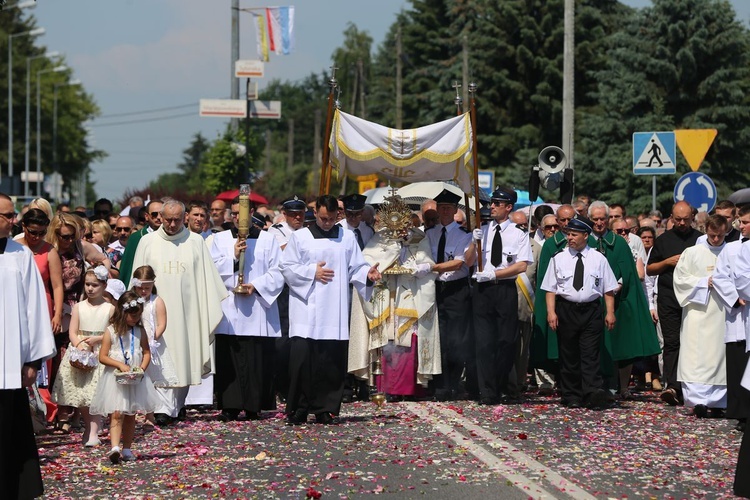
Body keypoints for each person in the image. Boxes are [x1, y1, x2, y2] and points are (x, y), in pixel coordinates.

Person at [280, 195, 381, 425]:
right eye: (323, 218)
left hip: (333, 309)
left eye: (331, 219)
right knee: (302, 361)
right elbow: (286, 267)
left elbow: (356, 267)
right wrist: (310, 272)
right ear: (315, 213)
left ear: (338, 215)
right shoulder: (301, 237)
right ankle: (299, 408)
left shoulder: (346, 237)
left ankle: (326, 408)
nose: (326, 223)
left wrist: (368, 275)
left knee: (330, 361)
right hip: (306, 308)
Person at [131, 199, 226, 425]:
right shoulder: (147, 241)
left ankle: (176, 405)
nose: (172, 224)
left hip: (188, 313)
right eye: (168, 219)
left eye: (176, 219)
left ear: (184, 218)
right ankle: (163, 407)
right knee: (158, 356)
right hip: (153, 310)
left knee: (185, 355)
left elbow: (207, 281)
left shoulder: (195, 242)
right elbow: (137, 278)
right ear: (160, 218)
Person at [348, 193, 441, 399]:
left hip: (412, 295)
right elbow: (368, 263)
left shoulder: (419, 236)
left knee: (409, 341)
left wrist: (421, 266)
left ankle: (410, 388)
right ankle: (387, 388)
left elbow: (428, 262)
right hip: (386, 297)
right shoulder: (379, 238)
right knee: (388, 342)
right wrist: (386, 262)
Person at [0, 193, 56, 500]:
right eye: (7, 216)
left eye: (12, 216)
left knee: (9, 432)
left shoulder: (19, 255)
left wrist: (33, 361)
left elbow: (35, 307)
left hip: (10, 364)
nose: (14, 221)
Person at [210, 198, 284, 420]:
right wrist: (232, 256)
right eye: (232, 214)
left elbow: (279, 271)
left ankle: (254, 405)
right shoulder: (219, 239)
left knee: (256, 357)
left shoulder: (268, 240)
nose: (235, 218)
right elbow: (211, 269)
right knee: (228, 358)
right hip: (230, 309)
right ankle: (230, 406)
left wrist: (257, 285)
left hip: (257, 307)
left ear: (251, 213)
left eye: (239, 214)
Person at [540, 216, 617, 410]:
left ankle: (591, 392)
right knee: (569, 354)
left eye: (574, 234)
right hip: (567, 309)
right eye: (568, 234)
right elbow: (550, 288)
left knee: (590, 354)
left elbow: (608, 288)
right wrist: (551, 312)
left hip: (591, 310)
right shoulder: (559, 258)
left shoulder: (599, 258)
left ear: (585, 235)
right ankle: (571, 394)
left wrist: (610, 312)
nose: (570, 238)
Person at [471, 187, 533, 405]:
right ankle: (486, 390)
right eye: (492, 203)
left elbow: (521, 266)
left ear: (508, 207)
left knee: (506, 340)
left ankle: (500, 385)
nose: (492, 206)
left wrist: (494, 273)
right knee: (484, 342)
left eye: (498, 203)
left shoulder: (518, 234)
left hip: (504, 289)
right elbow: (468, 260)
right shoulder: (482, 230)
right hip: (483, 291)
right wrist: (472, 241)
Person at [90, 291, 158, 464]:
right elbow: (103, 356)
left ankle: (127, 447)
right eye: (132, 316)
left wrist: (141, 368)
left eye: (138, 316)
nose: (135, 319)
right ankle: (114, 447)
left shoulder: (140, 332)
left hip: (134, 379)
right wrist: (119, 364)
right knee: (117, 412)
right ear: (123, 312)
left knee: (131, 413)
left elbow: (147, 353)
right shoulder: (111, 332)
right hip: (115, 379)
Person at [51, 266, 114, 445]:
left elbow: (114, 331)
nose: (90, 289)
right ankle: (89, 427)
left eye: (95, 285)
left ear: (104, 285)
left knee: (95, 394)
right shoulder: (78, 307)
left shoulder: (109, 308)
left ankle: (94, 431)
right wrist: (80, 345)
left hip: (100, 351)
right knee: (82, 396)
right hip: (80, 353)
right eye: (87, 284)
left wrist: (98, 339)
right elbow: (72, 331)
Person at [672, 214, 729, 417]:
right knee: (696, 356)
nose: (715, 240)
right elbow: (680, 279)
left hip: (722, 313)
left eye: (720, 236)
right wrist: (705, 282)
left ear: (726, 232)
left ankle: (719, 400)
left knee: (719, 356)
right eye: (712, 235)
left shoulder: (730, 252)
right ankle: (697, 401)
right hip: (698, 311)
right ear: (706, 231)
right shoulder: (692, 252)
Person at [647, 201, 702, 405]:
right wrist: (667, 263)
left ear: (692, 218)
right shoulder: (663, 240)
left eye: (686, 219)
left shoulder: (700, 240)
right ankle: (672, 385)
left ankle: (692, 385)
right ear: (671, 217)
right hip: (669, 297)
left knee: (693, 343)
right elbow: (650, 269)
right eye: (677, 219)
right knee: (671, 342)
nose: (681, 223)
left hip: (693, 298)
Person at [425, 189, 474, 400]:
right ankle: (439, 384)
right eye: (441, 207)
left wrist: (431, 267)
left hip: (456, 290)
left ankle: (453, 383)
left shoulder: (465, 235)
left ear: (455, 210)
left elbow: (460, 262)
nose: (444, 211)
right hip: (434, 289)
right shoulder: (429, 233)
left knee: (456, 339)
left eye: (448, 208)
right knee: (438, 337)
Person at [18, 209, 64, 424]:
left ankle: (42, 407)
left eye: (42, 233)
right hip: (17, 305)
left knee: (41, 361)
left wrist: (56, 314)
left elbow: (56, 285)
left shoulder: (49, 251)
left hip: (43, 305)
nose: (36, 237)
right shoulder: (16, 247)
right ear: (24, 227)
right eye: (33, 232)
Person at [530, 204, 577, 391]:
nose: (566, 224)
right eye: (562, 220)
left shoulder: (586, 241)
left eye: (570, 219)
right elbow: (545, 280)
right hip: (557, 301)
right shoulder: (551, 244)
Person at [713, 206, 750, 431]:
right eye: (741, 222)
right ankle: (741, 412)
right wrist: (736, 298)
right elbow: (721, 277)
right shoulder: (732, 248)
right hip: (739, 313)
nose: (741, 226)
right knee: (738, 364)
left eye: (746, 222)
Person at [267, 195, 307, 402]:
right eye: (293, 214)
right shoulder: (277, 231)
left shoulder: (308, 232)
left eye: (300, 213)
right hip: (284, 289)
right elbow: (286, 254)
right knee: (283, 340)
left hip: (304, 287)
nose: (297, 218)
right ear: (284, 215)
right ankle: (282, 385)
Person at [131, 265, 178, 427]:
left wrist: (152, 339)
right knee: (140, 376)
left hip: (154, 342)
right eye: (141, 288)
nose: (144, 291)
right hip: (136, 341)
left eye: (147, 288)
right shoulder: (131, 301)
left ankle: (163, 410)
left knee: (159, 374)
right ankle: (142, 410)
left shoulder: (157, 301)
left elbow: (161, 324)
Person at [117, 199, 163, 288]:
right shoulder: (136, 238)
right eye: (154, 214)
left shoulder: (172, 237)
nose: (158, 217)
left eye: (161, 214)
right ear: (146, 216)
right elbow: (127, 268)